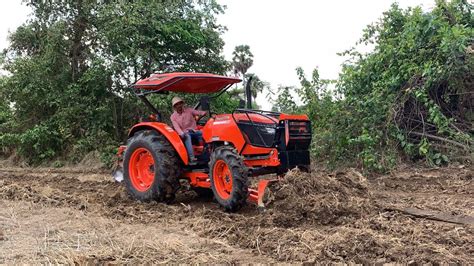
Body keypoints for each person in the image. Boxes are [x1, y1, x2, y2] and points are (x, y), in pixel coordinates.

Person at [170, 96, 207, 162]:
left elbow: (198, 112)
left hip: (194, 131)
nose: (179, 106)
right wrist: (182, 133)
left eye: (180, 103)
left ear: (182, 104)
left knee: (204, 133)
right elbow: (176, 127)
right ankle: (191, 157)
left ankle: (206, 152)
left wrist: (204, 112)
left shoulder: (189, 110)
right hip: (184, 133)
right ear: (175, 107)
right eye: (177, 105)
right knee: (187, 136)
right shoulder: (173, 117)